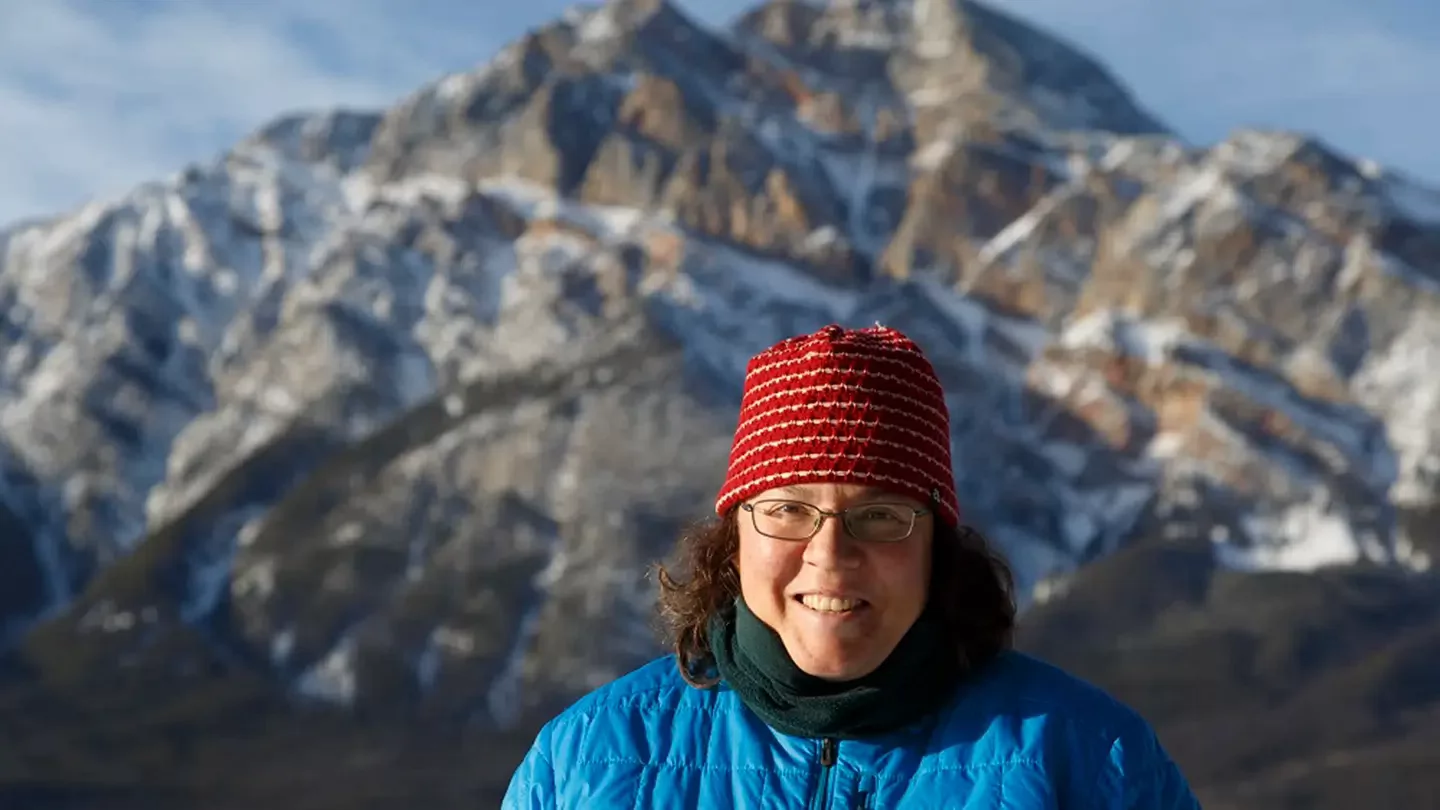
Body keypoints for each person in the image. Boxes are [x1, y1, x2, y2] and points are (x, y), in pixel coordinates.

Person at [502, 323, 1200, 808]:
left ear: (936, 545)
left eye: (880, 515)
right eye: (787, 510)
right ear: (734, 536)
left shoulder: (1087, 759)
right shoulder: (588, 760)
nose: (830, 553)